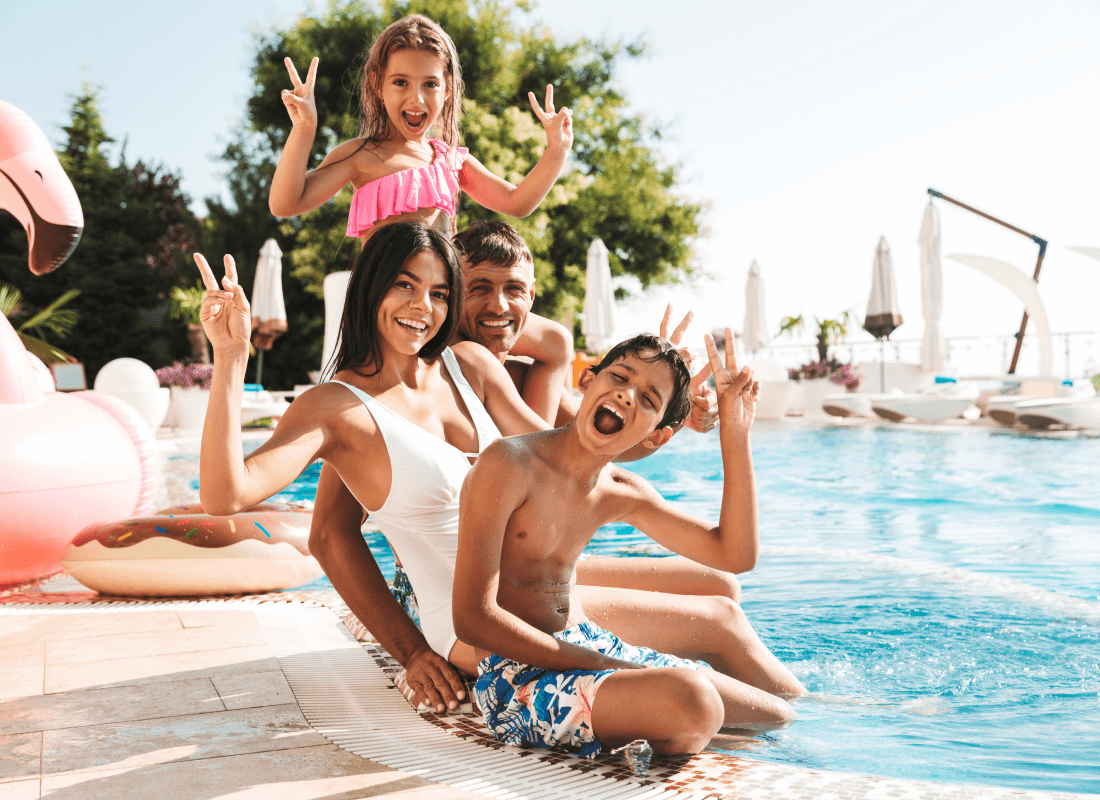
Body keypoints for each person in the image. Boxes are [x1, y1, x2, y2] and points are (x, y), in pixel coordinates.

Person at [453, 333, 800, 758]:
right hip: (517, 681)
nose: (628, 394)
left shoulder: (620, 489)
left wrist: (735, 432)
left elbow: (735, 556)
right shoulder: (509, 464)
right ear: (589, 379)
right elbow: (473, 619)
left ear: (656, 437)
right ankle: (644, 725)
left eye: (650, 399)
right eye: (620, 376)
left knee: (776, 714)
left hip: (592, 646)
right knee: (695, 700)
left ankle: (639, 725)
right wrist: (594, 663)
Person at [269, 13, 573, 422]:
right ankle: (532, 452)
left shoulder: (449, 160)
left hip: (449, 305)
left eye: (430, 84)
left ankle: (531, 458)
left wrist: (555, 152)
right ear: (378, 86)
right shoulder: (362, 156)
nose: (416, 99)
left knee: (555, 342)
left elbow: (517, 202)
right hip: (398, 308)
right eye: (401, 83)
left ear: (448, 91)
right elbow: (286, 203)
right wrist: (304, 130)